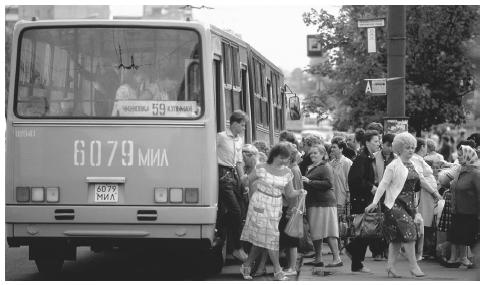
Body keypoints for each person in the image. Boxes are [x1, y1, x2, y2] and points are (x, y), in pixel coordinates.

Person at [240, 143, 306, 280]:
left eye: (287, 158)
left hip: (276, 206)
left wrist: (300, 191)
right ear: (274, 155)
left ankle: (246, 266)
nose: (284, 161)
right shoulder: (261, 167)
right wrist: (242, 173)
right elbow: (246, 183)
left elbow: (289, 193)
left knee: (262, 239)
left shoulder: (288, 172)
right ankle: (277, 270)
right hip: (259, 203)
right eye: (282, 158)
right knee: (271, 237)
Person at [365, 132, 426, 278]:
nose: (411, 150)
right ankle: (413, 266)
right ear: (399, 149)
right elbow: (383, 185)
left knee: (397, 238)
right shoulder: (393, 165)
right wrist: (374, 202)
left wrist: (418, 207)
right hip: (394, 205)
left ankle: (390, 267)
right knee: (410, 232)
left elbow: (416, 186)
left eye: (412, 147)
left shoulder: (414, 164)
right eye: (407, 148)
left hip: (409, 205)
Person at [216, 110, 249, 262]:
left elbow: (239, 161)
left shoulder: (239, 139)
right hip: (222, 174)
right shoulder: (221, 137)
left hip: (234, 175)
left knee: (240, 211)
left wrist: (243, 180)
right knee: (236, 211)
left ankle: (221, 229)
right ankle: (237, 248)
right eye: (242, 125)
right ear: (234, 124)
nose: (244, 128)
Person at [302, 144, 342, 268]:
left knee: (329, 230)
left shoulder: (325, 167)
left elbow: (328, 183)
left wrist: (309, 182)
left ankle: (337, 258)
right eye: (311, 153)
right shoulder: (312, 167)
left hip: (324, 203)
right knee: (316, 231)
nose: (312, 155)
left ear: (323, 155)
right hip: (313, 202)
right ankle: (318, 258)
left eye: (316, 153)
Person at [446, 145, 479, 268]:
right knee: (456, 235)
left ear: (468, 156)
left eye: (461, 155)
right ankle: (457, 259)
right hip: (457, 210)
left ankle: (466, 259)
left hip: (469, 212)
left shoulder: (475, 174)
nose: (458, 157)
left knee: (467, 237)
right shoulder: (460, 171)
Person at [413, 138, 442, 260]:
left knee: (427, 221)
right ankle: (423, 249)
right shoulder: (416, 159)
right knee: (424, 222)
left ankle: (424, 249)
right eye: (425, 146)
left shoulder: (420, 159)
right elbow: (421, 179)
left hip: (428, 194)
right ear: (422, 147)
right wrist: (434, 192)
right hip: (425, 194)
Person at [370, 133, 396, 261]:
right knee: (376, 222)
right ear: (382, 144)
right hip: (377, 194)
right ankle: (376, 251)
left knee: (389, 223)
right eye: (388, 145)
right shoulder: (374, 157)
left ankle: (386, 249)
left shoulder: (397, 158)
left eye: (392, 146)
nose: (390, 148)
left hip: (391, 195)